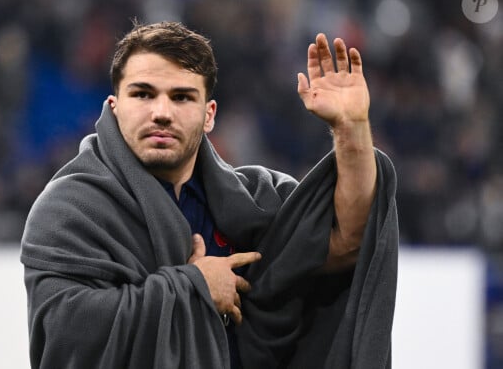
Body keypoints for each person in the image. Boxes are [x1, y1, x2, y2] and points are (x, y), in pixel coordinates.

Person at [21, 21, 398, 369]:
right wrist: (195, 287)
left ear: (209, 114)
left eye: (182, 97)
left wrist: (352, 127)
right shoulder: (70, 208)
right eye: (143, 94)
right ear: (114, 106)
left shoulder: (256, 199)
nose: (161, 112)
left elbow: (349, 243)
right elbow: (66, 334)